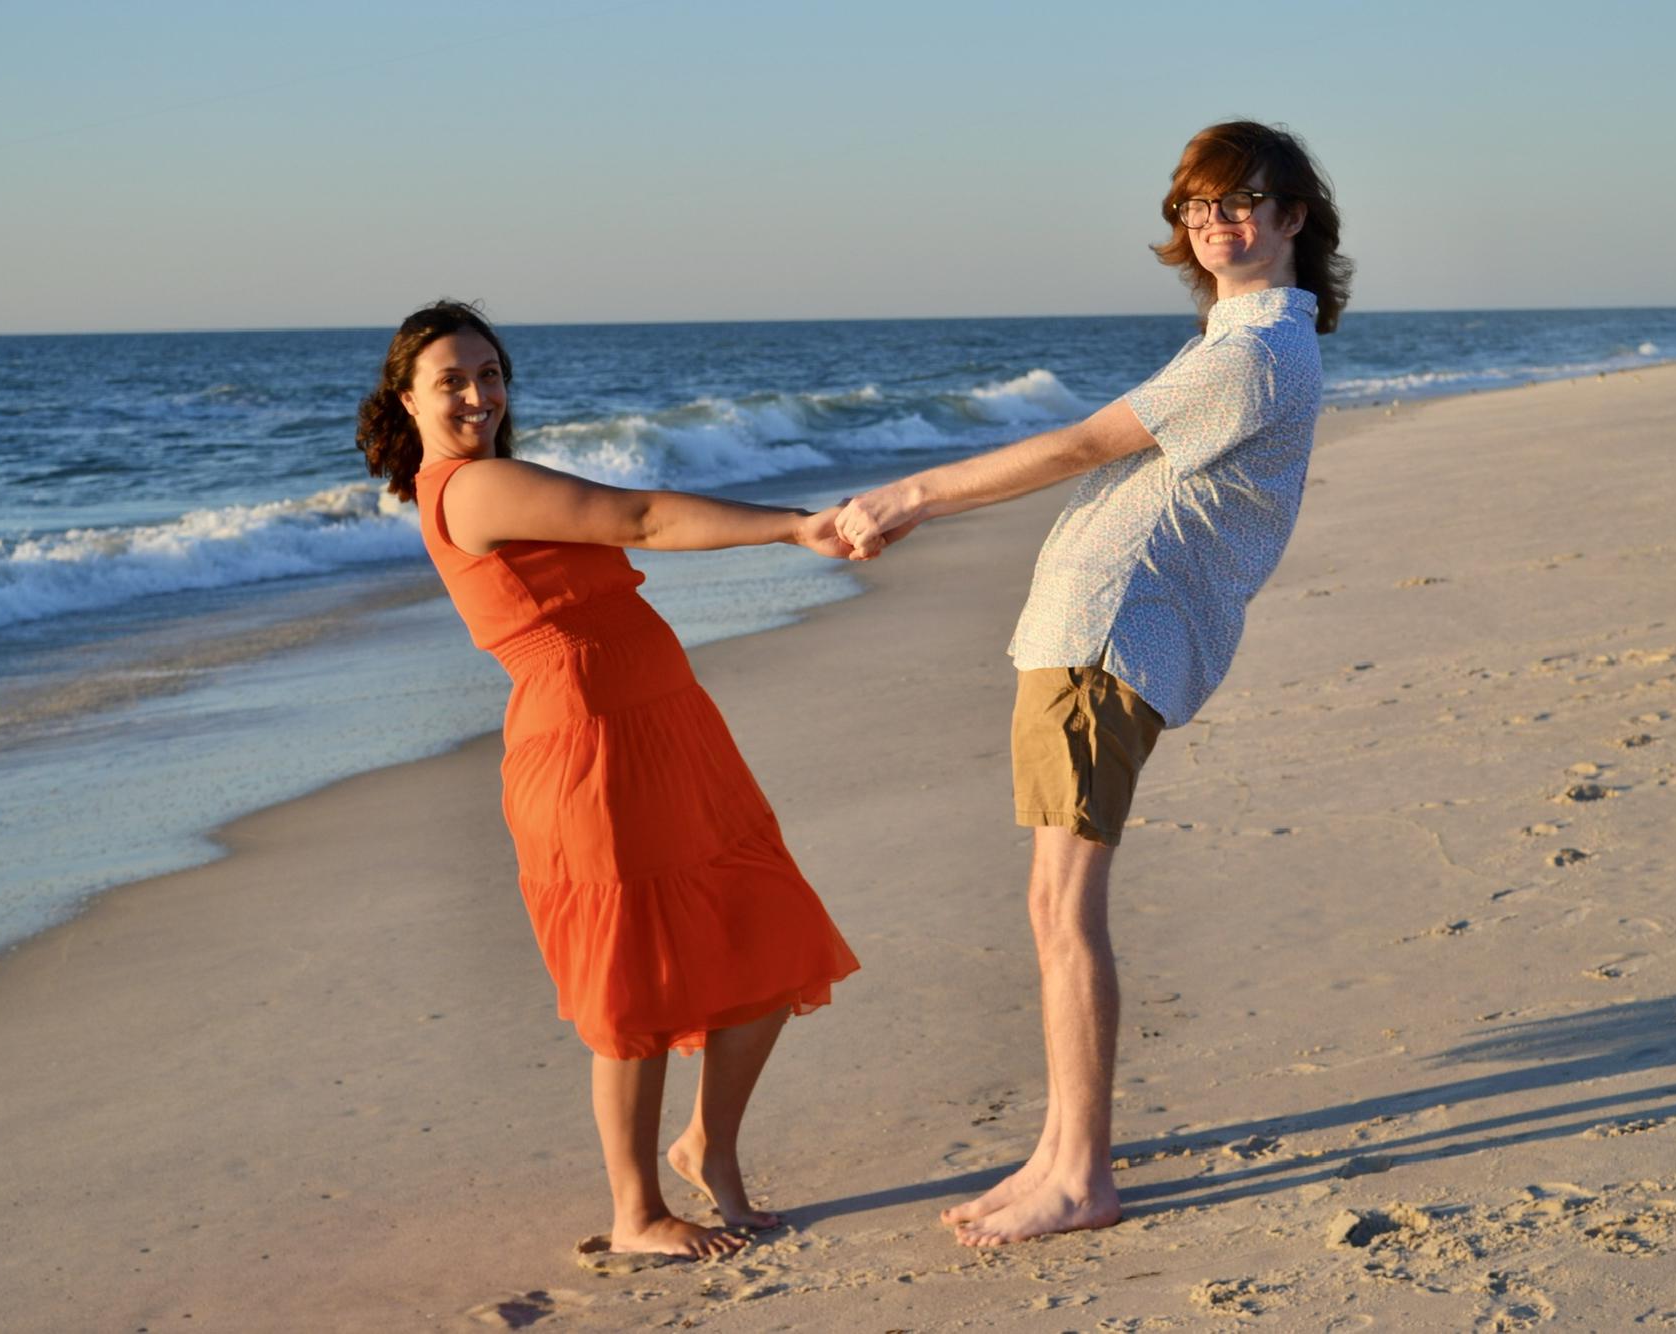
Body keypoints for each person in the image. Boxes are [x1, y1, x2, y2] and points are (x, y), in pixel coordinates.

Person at [836, 121, 1352, 1246]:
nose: (1217, 222)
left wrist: (910, 495)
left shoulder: (1251, 354)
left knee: (1063, 910)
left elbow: (1078, 446)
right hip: (1092, 633)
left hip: (1109, 638)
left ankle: (1080, 1173)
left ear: (1294, 216)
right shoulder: (1240, 339)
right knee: (1048, 906)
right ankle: (1061, 1149)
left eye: (1243, 200)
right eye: (1196, 206)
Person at [358, 300, 860, 1260]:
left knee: (767, 927)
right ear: (406, 398)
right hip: (588, 746)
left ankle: (708, 1144)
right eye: (451, 380)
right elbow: (642, 516)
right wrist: (796, 527)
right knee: (633, 978)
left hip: (666, 729)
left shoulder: (492, 474)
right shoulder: (470, 488)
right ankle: (636, 1213)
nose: (477, 394)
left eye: (490, 373)